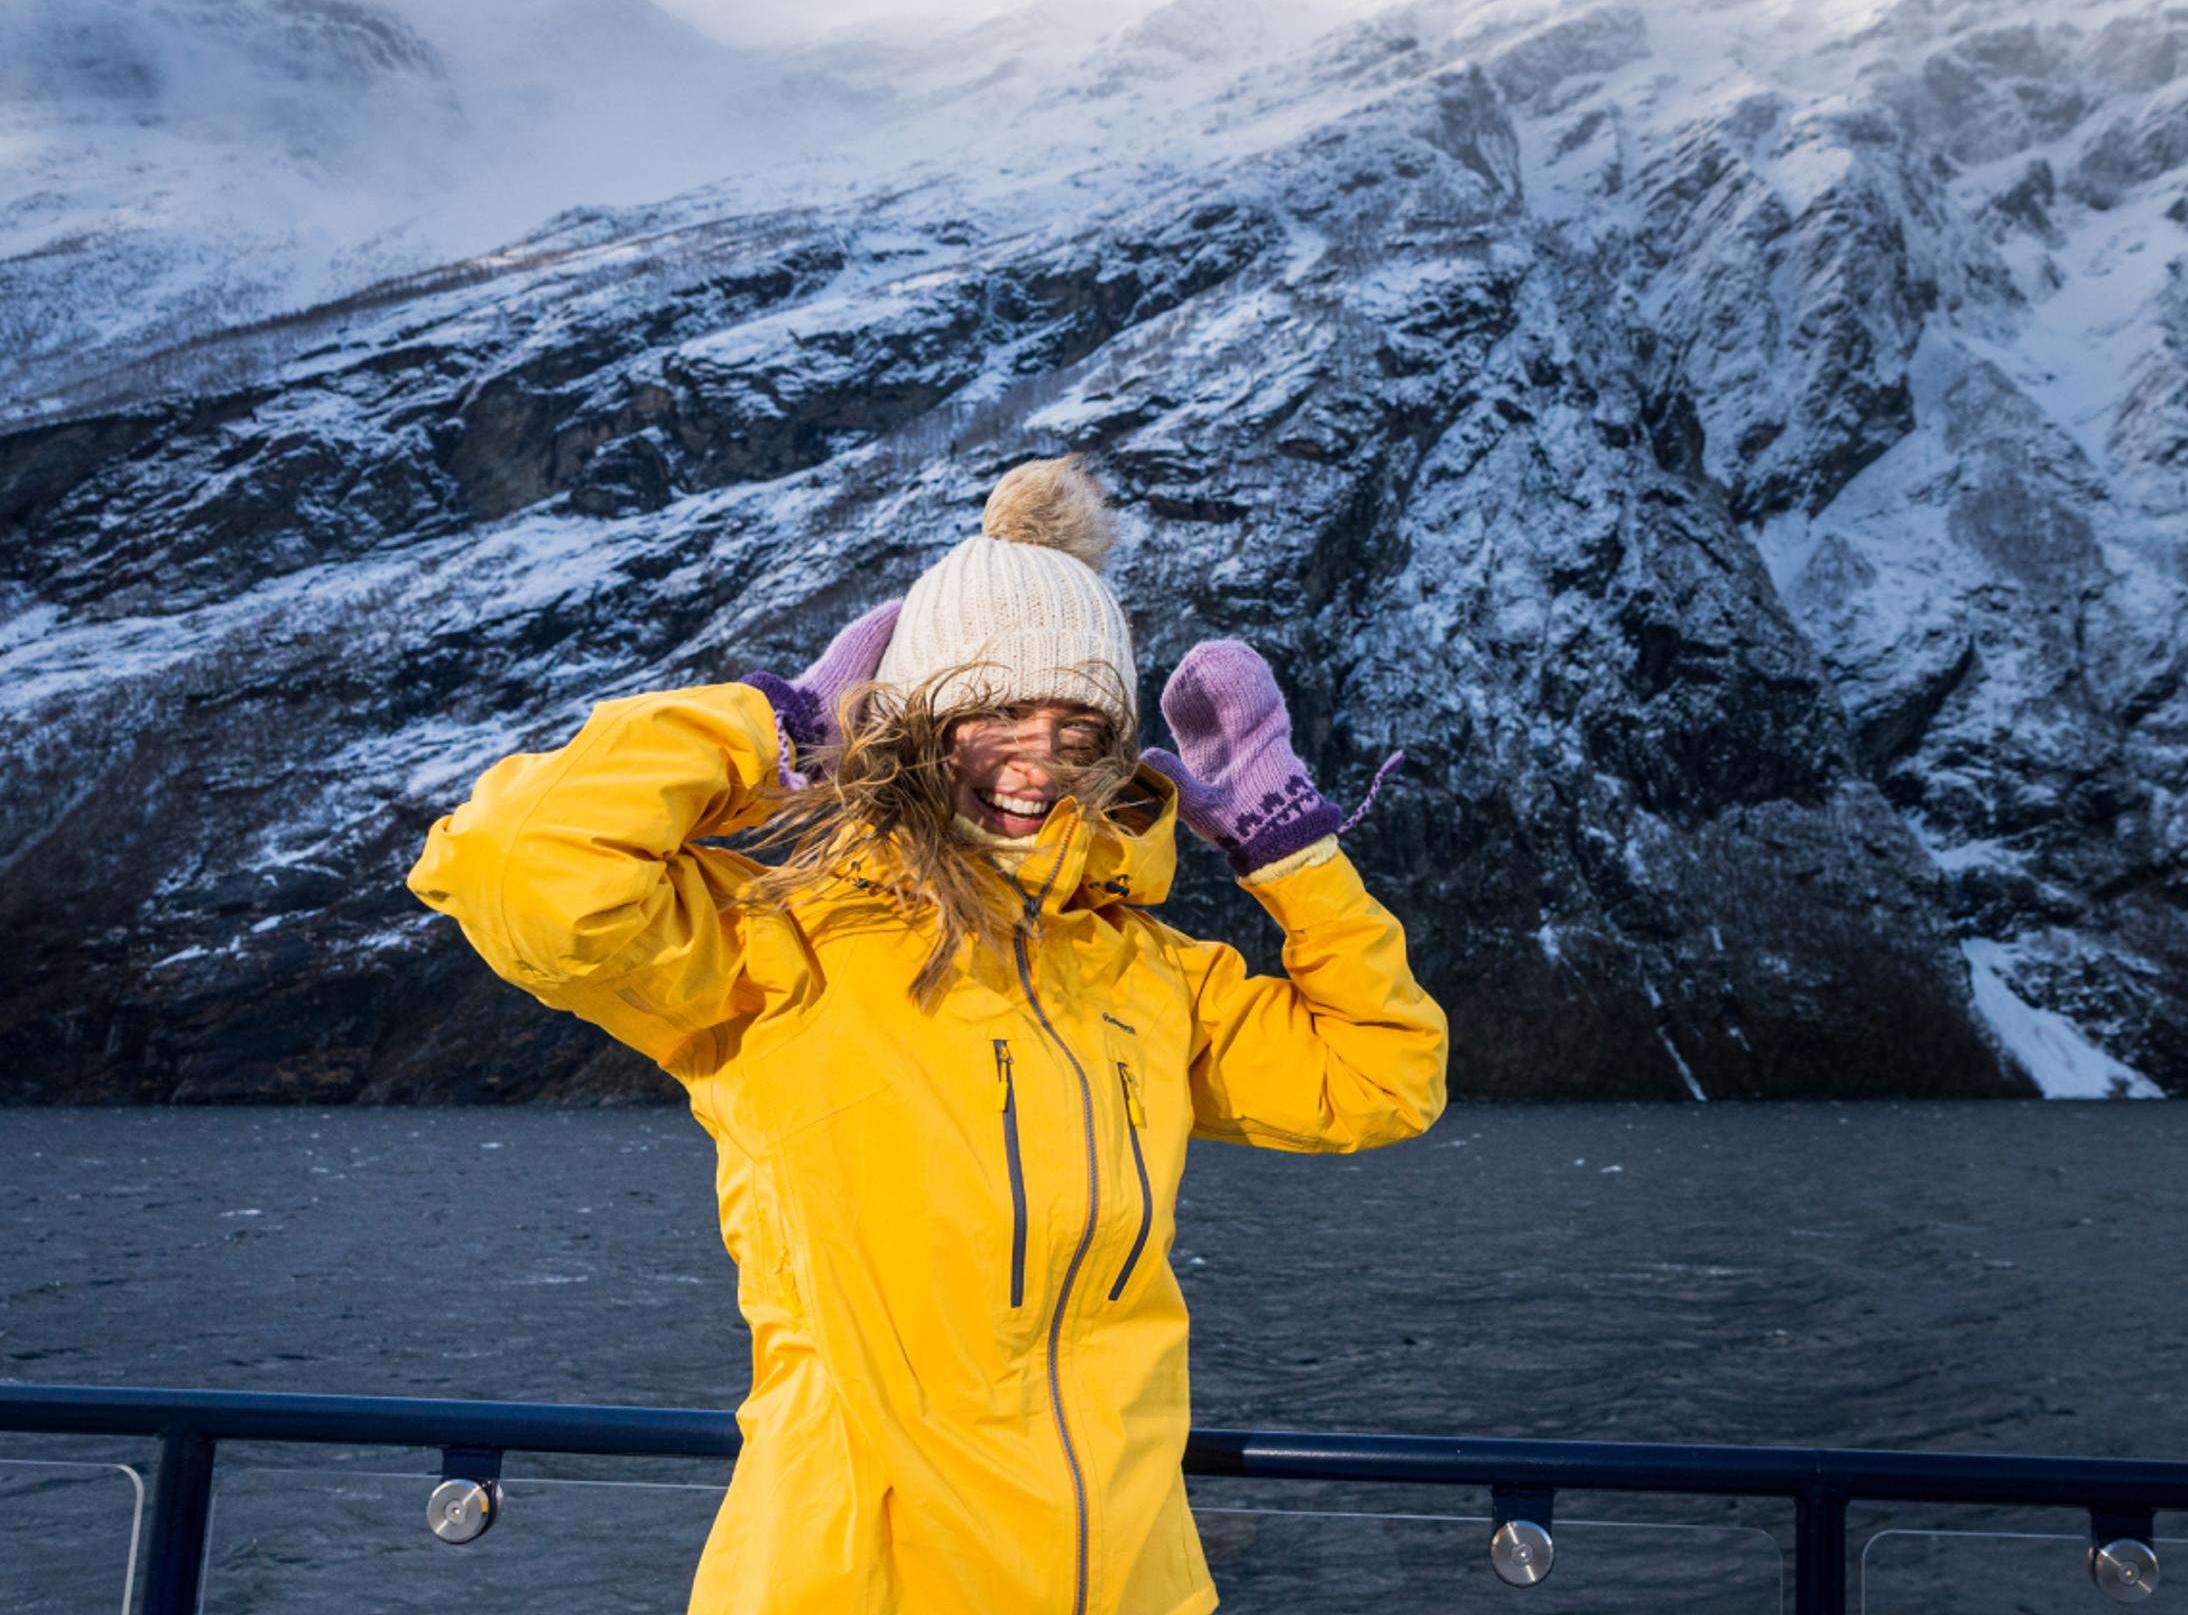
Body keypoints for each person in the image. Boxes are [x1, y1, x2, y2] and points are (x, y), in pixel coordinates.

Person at [406, 454, 1446, 1615]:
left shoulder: (1144, 974)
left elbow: (1381, 1074)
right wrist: (775, 729)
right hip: (855, 1582)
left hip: (1130, 1585)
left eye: (1077, 724)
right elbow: (515, 862)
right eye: (994, 710)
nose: (1035, 758)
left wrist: (1287, 851)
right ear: (916, 724)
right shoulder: (783, 950)